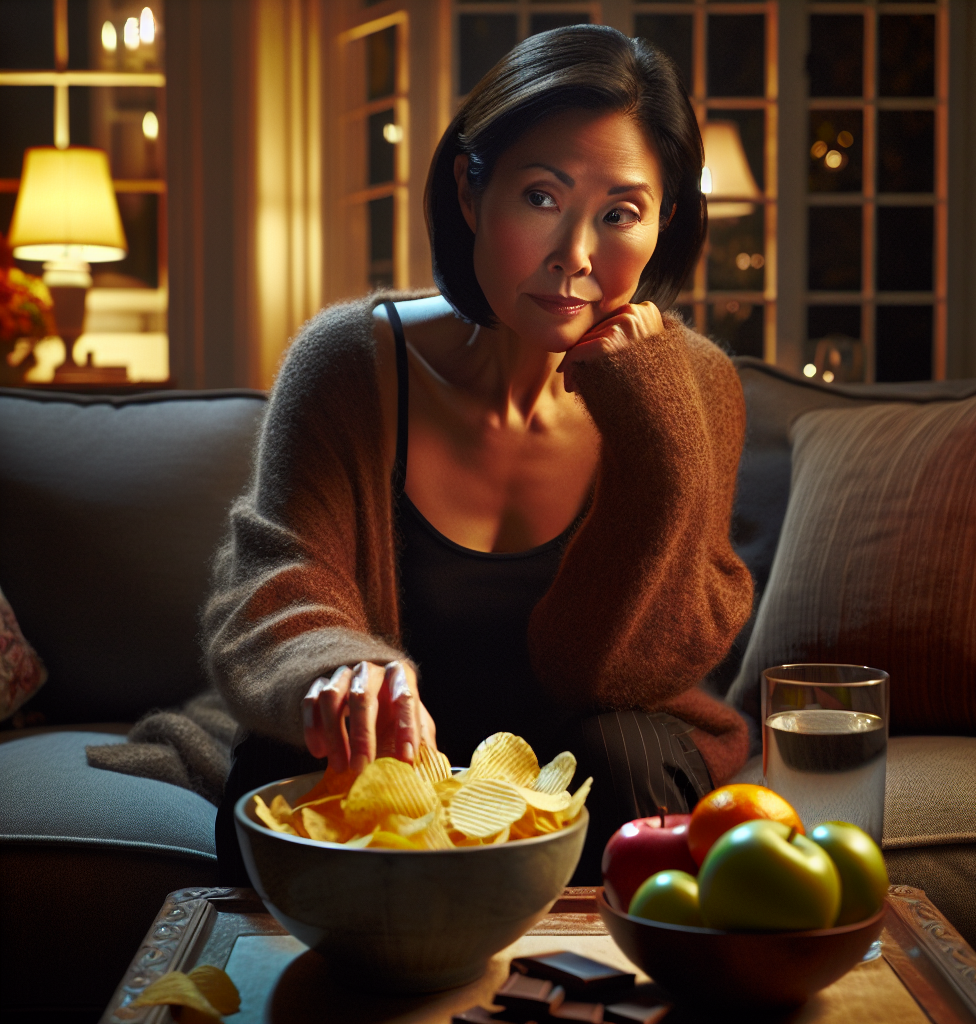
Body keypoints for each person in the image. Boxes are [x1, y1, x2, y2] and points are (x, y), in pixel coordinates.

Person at [205, 24, 754, 884]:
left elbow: (607, 670)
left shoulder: (696, 389)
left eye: (621, 214)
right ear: (471, 190)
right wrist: (344, 668)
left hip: (595, 744)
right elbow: (280, 583)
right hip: (390, 758)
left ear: (665, 224)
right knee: (271, 785)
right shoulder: (348, 362)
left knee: (629, 767)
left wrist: (654, 435)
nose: (575, 257)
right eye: (541, 196)